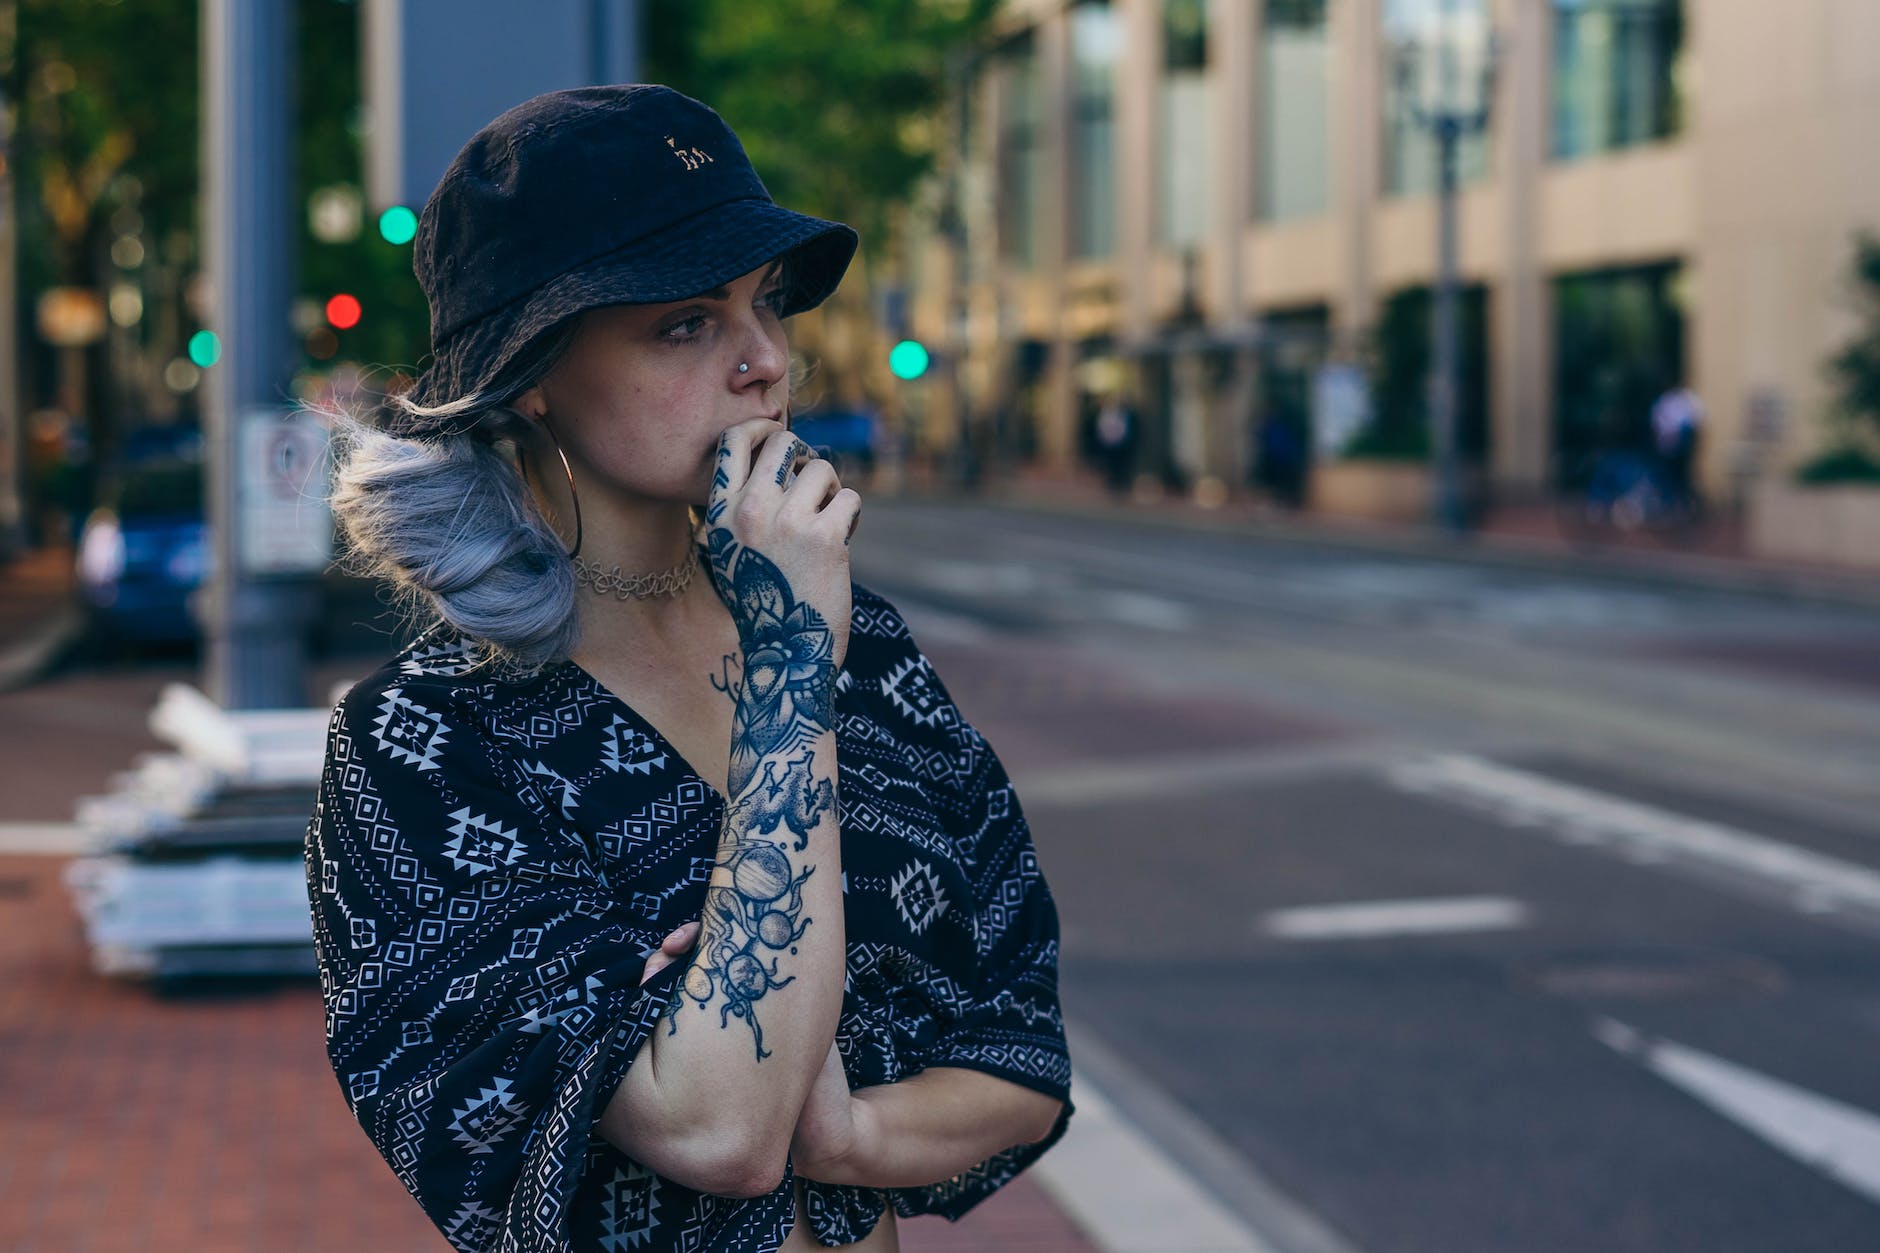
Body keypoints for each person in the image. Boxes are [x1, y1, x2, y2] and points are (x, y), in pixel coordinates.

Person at [306, 85, 1072, 1253]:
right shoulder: (427, 743)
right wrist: (784, 668)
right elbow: (719, 1130)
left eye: (765, 305)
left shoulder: (863, 652)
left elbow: (1019, 1054)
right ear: (532, 374)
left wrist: (848, 1132)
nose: (766, 360)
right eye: (685, 324)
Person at [1650, 382, 1704, 510]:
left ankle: (1684, 504)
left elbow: (1697, 425)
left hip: (1682, 448)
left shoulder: (1688, 400)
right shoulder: (1666, 400)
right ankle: (1672, 503)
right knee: (1670, 476)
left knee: (1683, 476)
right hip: (1670, 448)